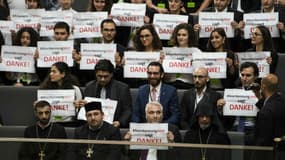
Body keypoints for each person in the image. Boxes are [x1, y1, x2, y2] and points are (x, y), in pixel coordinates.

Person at [75, 59, 132, 128]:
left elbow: (127, 110)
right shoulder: (89, 87)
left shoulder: (122, 88)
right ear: (95, 74)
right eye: (99, 76)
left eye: (106, 76)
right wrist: (82, 106)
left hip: (113, 125)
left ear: (111, 74)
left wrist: (120, 122)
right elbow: (86, 109)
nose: (102, 79)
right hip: (93, 124)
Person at [132, 61, 180, 126]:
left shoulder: (171, 91)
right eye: (150, 73)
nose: (152, 76)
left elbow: (175, 115)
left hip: (165, 128)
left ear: (162, 75)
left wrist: (161, 127)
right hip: (144, 128)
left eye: (155, 73)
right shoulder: (142, 90)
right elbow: (136, 114)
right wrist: (139, 127)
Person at [252, 74, 285, 160]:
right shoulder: (281, 100)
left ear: (263, 86)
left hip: (270, 154)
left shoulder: (265, 112)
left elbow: (263, 141)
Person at [164, 23, 200, 89]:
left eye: (184, 35)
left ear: (189, 36)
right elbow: (166, 75)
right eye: (179, 35)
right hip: (171, 84)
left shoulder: (196, 51)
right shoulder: (170, 51)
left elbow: (200, 73)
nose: (181, 37)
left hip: (189, 85)